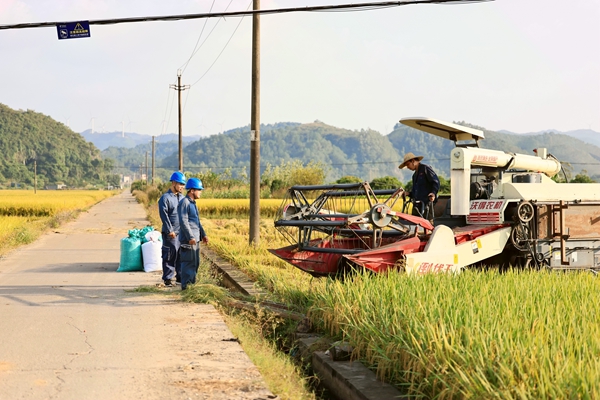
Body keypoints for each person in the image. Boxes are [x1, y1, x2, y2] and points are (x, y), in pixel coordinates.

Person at [178, 177, 208, 290]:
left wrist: (203, 234)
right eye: (198, 190)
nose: (200, 192)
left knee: (195, 264)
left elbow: (196, 222)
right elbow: (183, 221)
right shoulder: (184, 203)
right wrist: (190, 236)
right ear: (191, 190)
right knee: (188, 264)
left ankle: (192, 286)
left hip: (195, 239)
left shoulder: (193, 203)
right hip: (188, 240)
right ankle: (186, 288)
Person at [158, 171, 186, 287]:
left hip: (181, 233)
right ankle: (168, 279)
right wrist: (170, 230)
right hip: (171, 233)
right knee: (170, 255)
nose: (182, 187)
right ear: (174, 183)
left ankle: (179, 278)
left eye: (183, 185)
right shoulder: (165, 198)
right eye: (180, 184)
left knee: (181, 256)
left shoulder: (182, 198)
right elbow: (164, 216)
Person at [398, 152, 440, 217]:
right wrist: (408, 194)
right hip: (417, 206)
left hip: (427, 205)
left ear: (413, 161)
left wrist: (433, 193)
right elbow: (416, 192)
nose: (408, 167)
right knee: (414, 224)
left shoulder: (425, 168)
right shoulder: (414, 176)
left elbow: (435, 182)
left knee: (428, 224)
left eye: (408, 164)